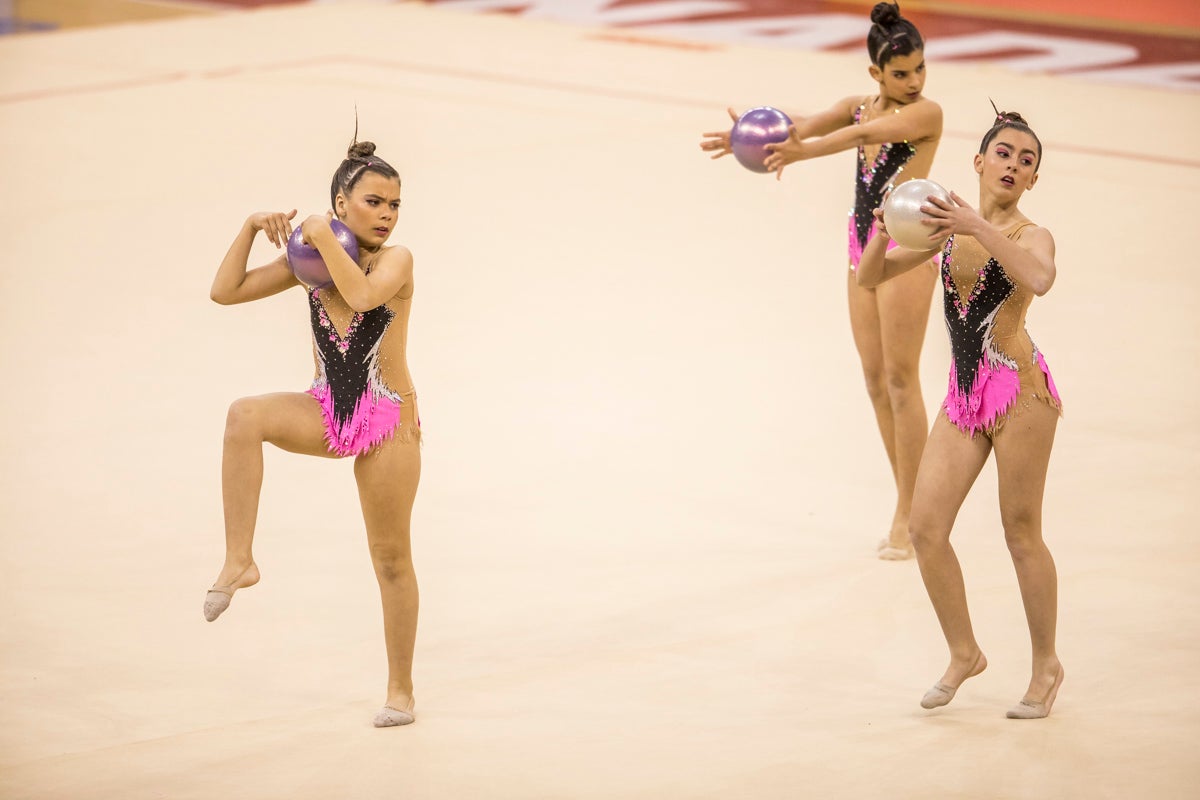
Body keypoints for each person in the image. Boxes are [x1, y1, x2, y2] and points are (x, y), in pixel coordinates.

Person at [700, 1, 942, 559]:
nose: (914, 81)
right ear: (875, 72)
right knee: (875, 380)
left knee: (902, 380)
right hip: (861, 245)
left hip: (905, 247)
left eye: (920, 68)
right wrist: (748, 137)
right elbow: (803, 124)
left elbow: (861, 135)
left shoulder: (925, 114)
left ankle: (913, 514)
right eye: (900, 73)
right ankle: (907, 500)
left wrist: (803, 152)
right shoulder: (857, 106)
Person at [204, 139, 422, 728]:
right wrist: (251, 227)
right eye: (374, 202)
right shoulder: (312, 259)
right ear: (341, 202)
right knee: (244, 415)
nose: (387, 214)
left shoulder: (396, 259)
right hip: (327, 409)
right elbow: (225, 291)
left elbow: (363, 296)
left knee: (391, 558)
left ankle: (400, 690)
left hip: (388, 421)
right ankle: (239, 560)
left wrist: (322, 235)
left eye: (394, 204)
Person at [856, 110, 1065, 719]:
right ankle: (964, 651)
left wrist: (975, 223)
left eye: (1026, 160)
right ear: (979, 162)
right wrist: (882, 230)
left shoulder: (1032, 234)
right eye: (1003, 153)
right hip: (966, 395)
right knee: (925, 528)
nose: (1012, 165)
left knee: (1020, 534)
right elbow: (871, 275)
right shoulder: (948, 230)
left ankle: (1046, 665)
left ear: (1032, 179)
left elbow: (1040, 278)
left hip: (1022, 395)